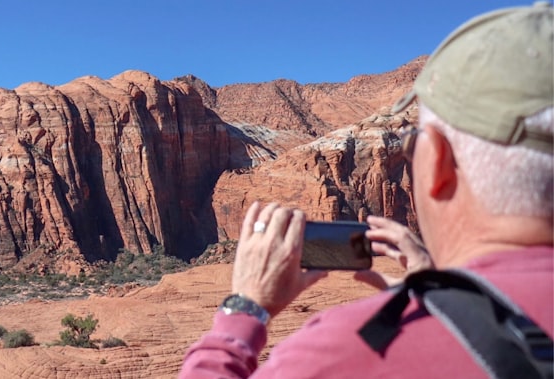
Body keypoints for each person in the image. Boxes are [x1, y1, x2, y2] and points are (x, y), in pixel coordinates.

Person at [180, 2, 553, 378]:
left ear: (437, 161)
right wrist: (450, 287)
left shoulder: (345, 352)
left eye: (411, 147)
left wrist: (243, 311)